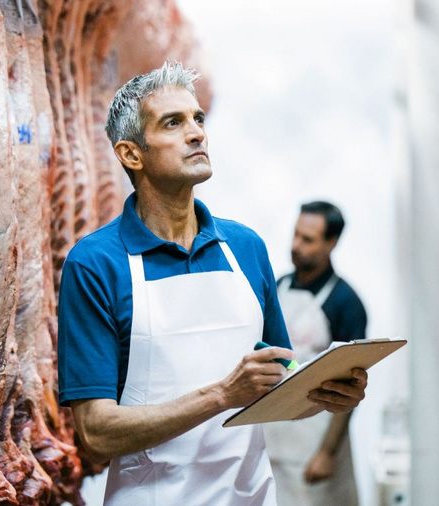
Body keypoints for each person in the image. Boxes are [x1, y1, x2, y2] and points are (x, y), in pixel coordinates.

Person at [56, 61, 369, 506]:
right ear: (131, 154)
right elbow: (96, 433)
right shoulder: (95, 263)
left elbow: (282, 375)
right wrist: (221, 395)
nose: (197, 132)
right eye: (173, 122)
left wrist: (326, 392)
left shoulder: (244, 246)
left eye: (198, 119)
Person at [263, 201, 368, 505]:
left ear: (331, 243)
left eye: (307, 240)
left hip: (316, 444)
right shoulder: (278, 287)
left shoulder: (346, 302)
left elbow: (351, 387)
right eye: (295, 235)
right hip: (274, 440)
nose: (296, 246)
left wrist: (326, 453)